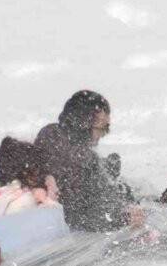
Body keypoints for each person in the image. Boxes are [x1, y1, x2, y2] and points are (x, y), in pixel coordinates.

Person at [34, 90, 144, 232]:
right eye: (103, 128)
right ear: (84, 124)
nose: (104, 134)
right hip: (71, 225)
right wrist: (126, 218)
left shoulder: (49, 132)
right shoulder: (85, 161)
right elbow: (80, 217)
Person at [0, 137, 61, 217]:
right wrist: (46, 201)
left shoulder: (1, 193)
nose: (39, 175)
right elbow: (51, 221)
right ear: (22, 172)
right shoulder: (25, 201)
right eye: (35, 169)